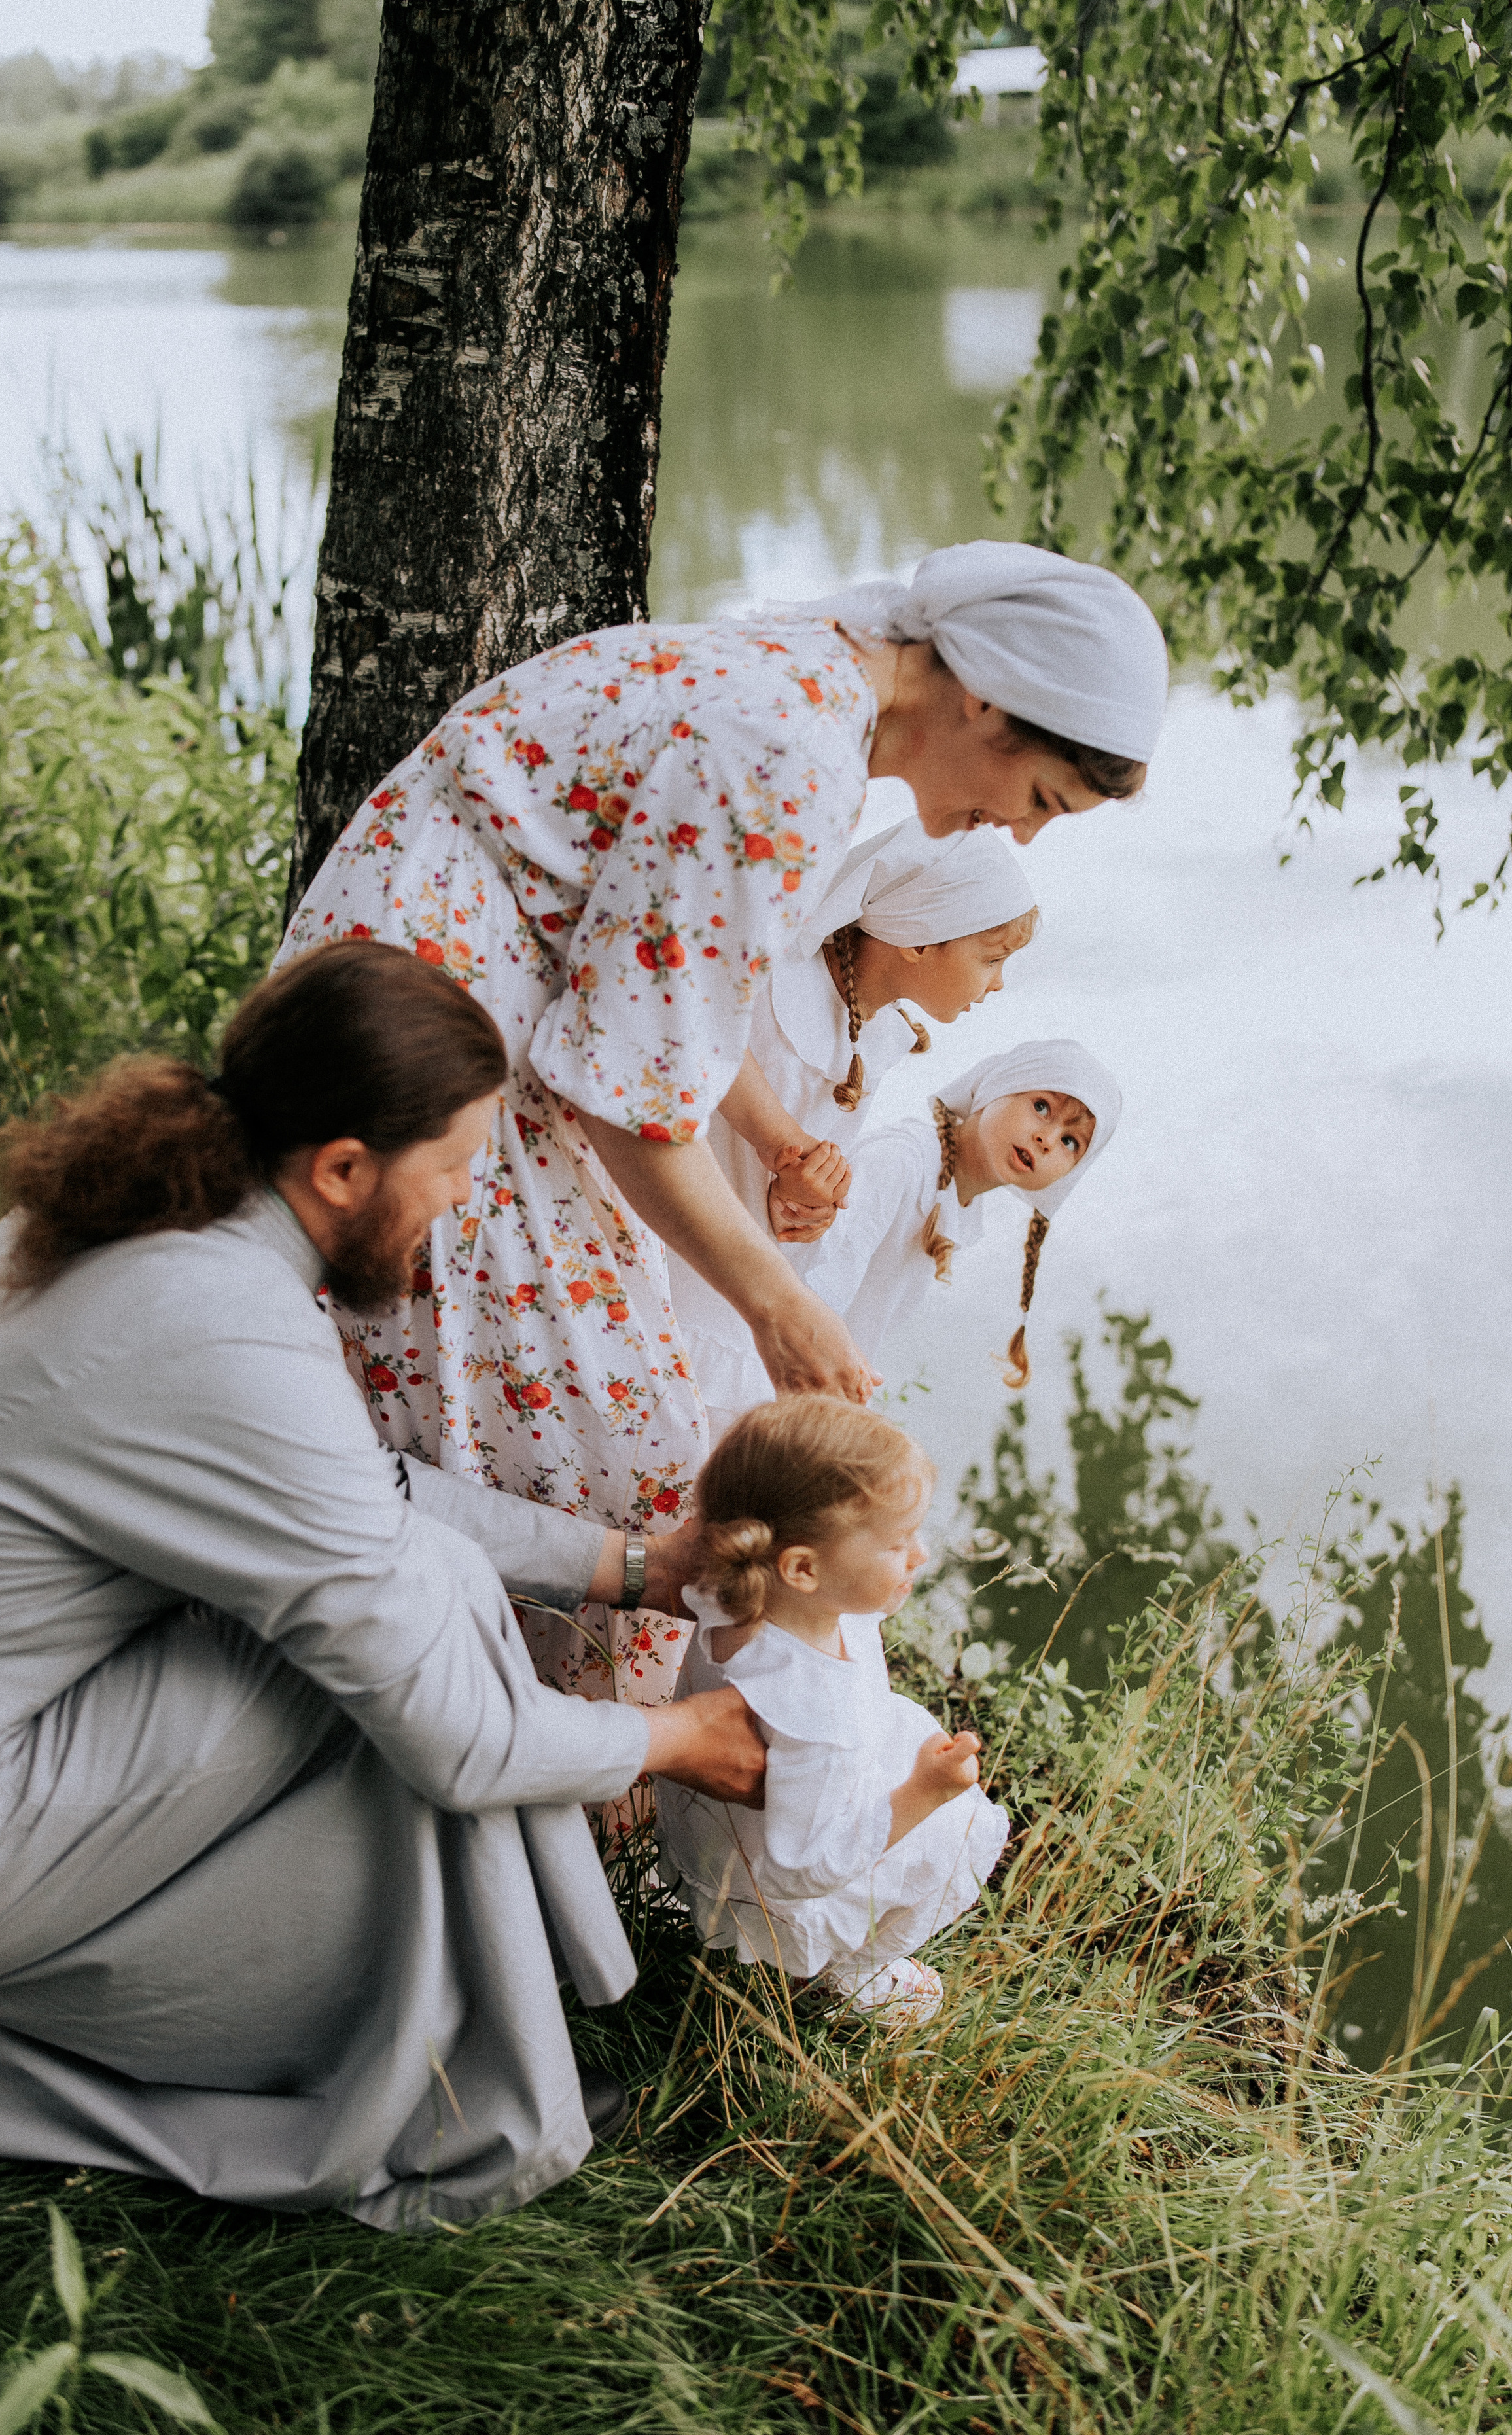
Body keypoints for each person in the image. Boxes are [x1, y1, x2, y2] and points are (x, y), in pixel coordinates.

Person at [0, 943, 768, 2233]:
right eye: (449, 1173)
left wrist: (628, 1570)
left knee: (394, 1596)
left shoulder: (168, 1231)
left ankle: (473, 2038)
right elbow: (456, 1732)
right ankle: (452, 2091)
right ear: (342, 1168)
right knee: (415, 1638)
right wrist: (676, 1738)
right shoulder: (220, 1324)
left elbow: (356, 1489)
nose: (458, 1209)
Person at [278, 541, 1167, 1704]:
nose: (1021, 833)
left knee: (585, 1425)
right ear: (984, 698)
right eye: (1041, 799)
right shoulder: (788, 754)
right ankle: (484, 1729)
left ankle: (475, 1709)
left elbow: (666, 1004)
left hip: (425, 997)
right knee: (630, 1465)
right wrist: (779, 1305)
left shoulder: (807, 681)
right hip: (431, 1043)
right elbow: (628, 1100)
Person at [666, 821, 1038, 1438]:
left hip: (737, 1262)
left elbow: (788, 1171)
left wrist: (805, 1203)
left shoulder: (874, 1031)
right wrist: (788, 1154)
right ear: (919, 940)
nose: (997, 982)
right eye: (992, 959)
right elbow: (700, 1043)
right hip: (675, 1253)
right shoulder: (777, 984)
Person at [656, 1396, 1008, 2029]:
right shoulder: (810, 1717)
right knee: (959, 1834)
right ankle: (843, 1972)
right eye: (899, 1543)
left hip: (714, 1835)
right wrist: (924, 1794)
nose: (922, 1556)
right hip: (775, 1877)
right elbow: (805, 1868)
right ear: (803, 1568)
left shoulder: (737, 1593)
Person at [784, 1042, 1124, 1387]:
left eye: (1070, 1142)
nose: (1047, 1139)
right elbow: (810, 1289)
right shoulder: (902, 1161)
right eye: (1041, 1107)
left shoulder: (959, 1209)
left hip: (820, 1386)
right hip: (783, 1367)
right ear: (998, 1087)